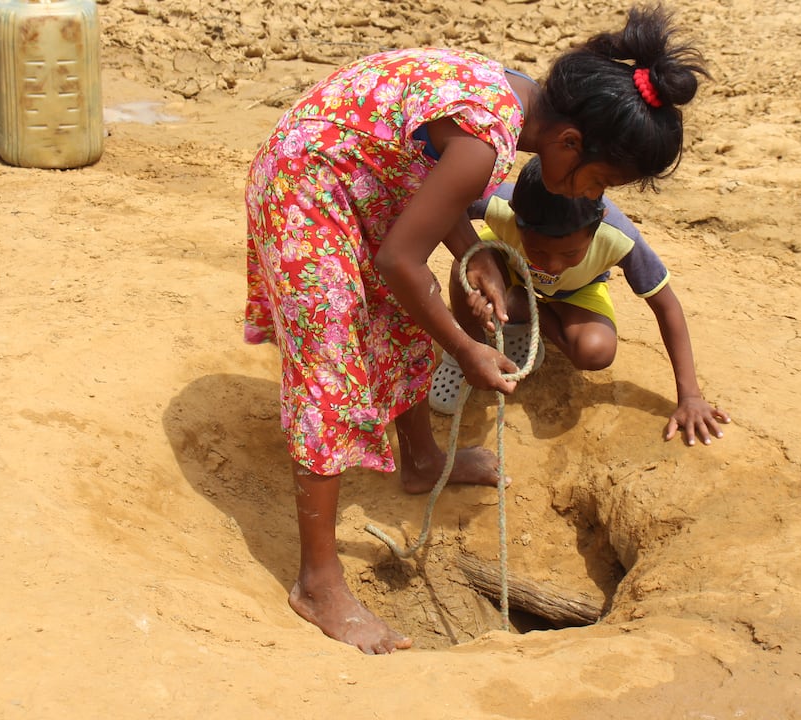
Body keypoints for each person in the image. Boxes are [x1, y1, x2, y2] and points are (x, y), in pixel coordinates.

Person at [243, 4, 710, 654]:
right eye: (599, 181)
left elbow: (428, 168)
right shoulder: (491, 135)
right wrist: (464, 348)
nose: (591, 195)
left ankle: (423, 460)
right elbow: (401, 258)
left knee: (399, 320)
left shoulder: (522, 101)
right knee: (334, 349)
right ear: (570, 143)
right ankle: (318, 581)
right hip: (308, 181)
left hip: (371, 175)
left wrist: (473, 252)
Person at [431, 156, 732, 446]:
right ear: (514, 216)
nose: (552, 265)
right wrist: (475, 262)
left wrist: (690, 396)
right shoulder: (502, 202)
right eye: (537, 250)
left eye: (570, 254)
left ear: (598, 224)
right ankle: (467, 349)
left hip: (575, 290)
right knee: (465, 265)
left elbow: (667, 306)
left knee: (595, 351)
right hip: (506, 266)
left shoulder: (620, 237)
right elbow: (442, 200)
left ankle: (523, 306)